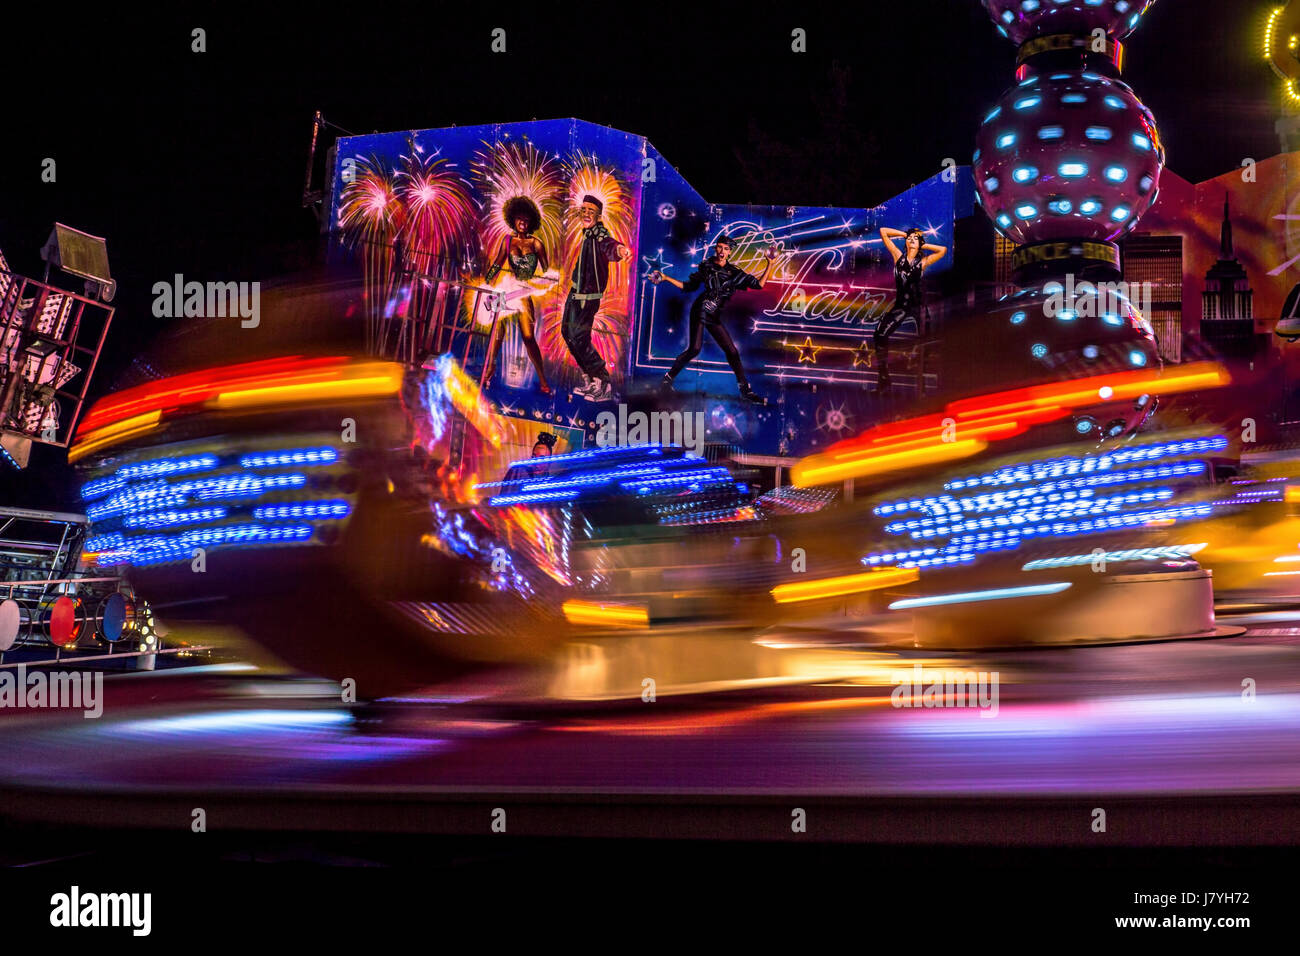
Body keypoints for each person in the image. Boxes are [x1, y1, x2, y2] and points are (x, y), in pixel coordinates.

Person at [652, 233, 774, 403]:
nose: (722, 251)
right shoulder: (707, 266)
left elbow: (759, 285)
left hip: (713, 315)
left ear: (730, 252)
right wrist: (665, 278)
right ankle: (666, 380)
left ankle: (745, 391)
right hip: (700, 309)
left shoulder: (734, 273)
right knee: (694, 349)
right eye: (719, 247)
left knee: (732, 352)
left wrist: (770, 264)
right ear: (715, 248)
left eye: (726, 248)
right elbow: (687, 286)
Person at [561, 195, 630, 403]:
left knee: (579, 338)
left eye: (591, 211)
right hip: (575, 293)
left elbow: (609, 245)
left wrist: (620, 250)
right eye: (584, 210)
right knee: (567, 333)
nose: (586, 214)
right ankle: (590, 378)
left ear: (599, 216)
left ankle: (602, 380)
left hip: (587, 297)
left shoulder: (599, 233)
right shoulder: (587, 233)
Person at [484, 197, 553, 394]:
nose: (522, 222)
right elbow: (497, 264)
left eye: (526, 219)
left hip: (523, 292)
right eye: (519, 218)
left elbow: (547, 271)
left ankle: (542, 379)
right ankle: (490, 368)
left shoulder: (537, 244)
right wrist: (486, 283)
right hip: (506, 289)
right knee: (497, 333)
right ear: (513, 219)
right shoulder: (507, 241)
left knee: (528, 337)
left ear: (531, 222)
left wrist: (546, 282)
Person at [873, 226, 948, 390]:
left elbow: (943, 250)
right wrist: (905, 234)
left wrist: (922, 245)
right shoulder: (898, 256)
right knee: (879, 334)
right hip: (901, 305)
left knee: (927, 340)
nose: (912, 239)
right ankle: (884, 380)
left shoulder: (923, 262)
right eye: (909, 238)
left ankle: (925, 383)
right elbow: (883, 232)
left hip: (918, 306)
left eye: (916, 238)